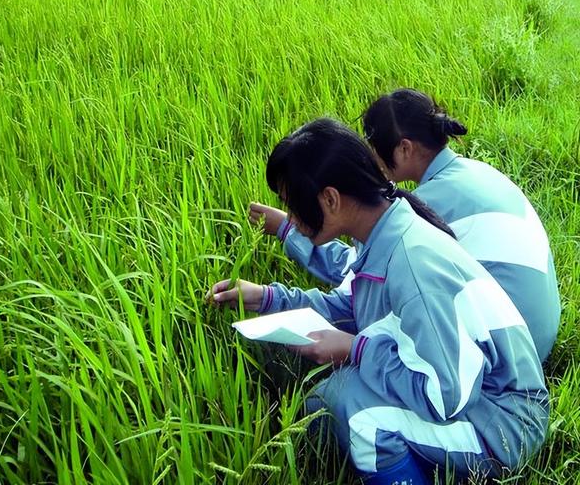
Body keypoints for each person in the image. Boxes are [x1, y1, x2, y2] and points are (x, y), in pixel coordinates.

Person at [209, 118, 548, 484]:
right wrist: (266, 298)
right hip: (474, 393)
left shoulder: (415, 265)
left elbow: (444, 397)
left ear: (330, 199)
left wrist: (355, 350)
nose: (291, 218)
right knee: (322, 406)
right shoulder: (380, 230)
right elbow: (349, 306)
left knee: (357, 414)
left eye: (293, 206)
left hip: (501, 423)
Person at [250, 89, 560, 363]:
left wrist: (287, 234)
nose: (370, 157)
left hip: (507, 352)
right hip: (533, 328)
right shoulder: (472, 173)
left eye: (373, 145)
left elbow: (359, 282)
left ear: (404, 149)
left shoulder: (421, 211)